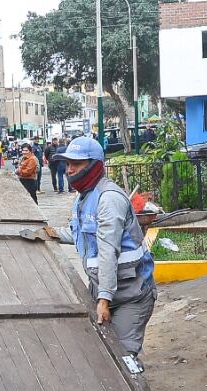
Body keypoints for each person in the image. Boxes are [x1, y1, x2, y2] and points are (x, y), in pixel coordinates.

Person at [57, 136, 156, 355]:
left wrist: (104, 299)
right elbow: (81, 234)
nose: (70, 170)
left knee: (122, 354)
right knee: (102, 354)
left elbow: (108, 250)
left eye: (76, 164)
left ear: (93, 165)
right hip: (105, 291)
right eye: (68, 164)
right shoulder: (84, 197)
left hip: (132, 294)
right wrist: (51, 234)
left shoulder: (109, 198)